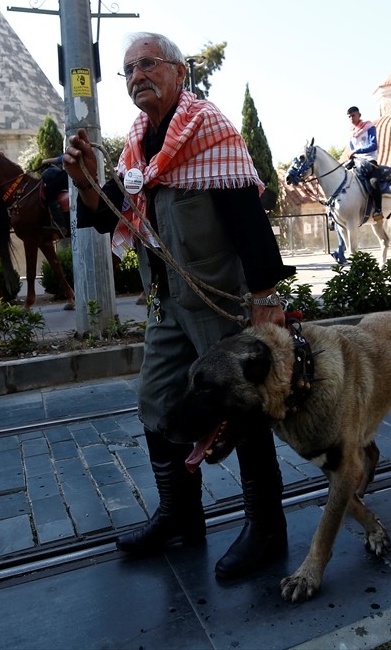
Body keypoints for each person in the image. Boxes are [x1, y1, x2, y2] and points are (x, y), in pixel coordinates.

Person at [62, 31, 295, 581]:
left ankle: (266, 527)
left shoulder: (210, 129)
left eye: (148, 63)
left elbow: (249, 220)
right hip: (167, 305)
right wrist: (85, 179)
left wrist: (267, 299)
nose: (137, 76)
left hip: (221, 306)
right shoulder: (138, 143)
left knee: (242, 409)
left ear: (178, 71)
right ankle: (180, 516)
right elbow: (114, 216)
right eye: (128, 69)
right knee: (158, 402)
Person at [347, 106, 384, 221]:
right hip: (356, 161)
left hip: (369, 161)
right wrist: (352, 155)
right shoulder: (351, 132)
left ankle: (378, 209)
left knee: (373, 182)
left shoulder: (369, 127)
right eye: (349, 116)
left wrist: (357, 151)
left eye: (353, 115)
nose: (351, 118)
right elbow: (351, 148)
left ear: (359, 115)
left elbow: (373, 145)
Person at [38, 155, 70, 233]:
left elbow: (62, 158)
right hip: (68, 173)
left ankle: (60, 224)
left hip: (70, 174)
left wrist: (46, 161)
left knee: (48, 190)